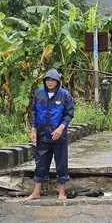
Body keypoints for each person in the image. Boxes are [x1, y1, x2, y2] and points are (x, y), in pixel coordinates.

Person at [25, 68, 75, 201]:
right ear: (44, 81)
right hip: (42, 133)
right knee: (40, 162)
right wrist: (33, 130)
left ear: (58, 81)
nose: (50, 82)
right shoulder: (39, 93)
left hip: (59, 134)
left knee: (61, 162)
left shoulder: (64, 95)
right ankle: (36, 192)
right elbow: (33, 112)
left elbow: (69, 114)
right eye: (48, 80)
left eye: (53, 80)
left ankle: (61, 192)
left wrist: (60, 128)